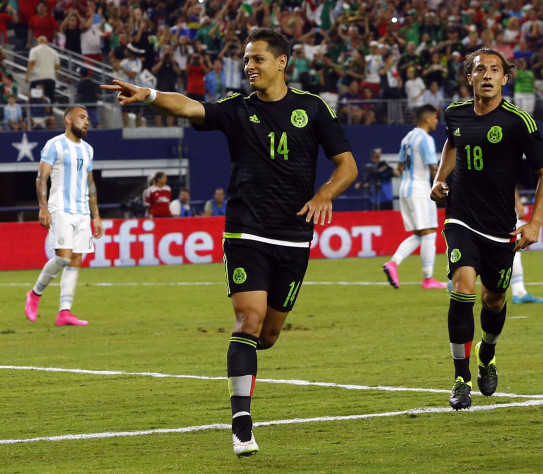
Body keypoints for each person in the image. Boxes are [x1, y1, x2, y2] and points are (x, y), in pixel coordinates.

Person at [101, 27, 358, 457]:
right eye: (245, 58)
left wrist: (324, 194)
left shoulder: (313, 109)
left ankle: (244, 370)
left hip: (294, 236)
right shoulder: (237, 109)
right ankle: (241, 423)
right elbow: (189, 107)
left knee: (270, 334)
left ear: (281, 62)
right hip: (246, 231)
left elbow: (346, 166)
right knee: (248, 320)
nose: (248, 65)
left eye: (257, 58)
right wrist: (147, 95)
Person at [430, 48, 543, 411]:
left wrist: (534, 222)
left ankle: (488, 353)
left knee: (494, 299)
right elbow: (453, 143)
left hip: (500, 227)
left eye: (494, 70)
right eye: (479, 69)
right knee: (463, 287)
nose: (487, 75)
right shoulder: (454, 113)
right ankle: (460, 378)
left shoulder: (518, 122)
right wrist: (439, 179)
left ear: (505, 77)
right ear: (469, 77)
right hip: (460, 218)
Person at [24, 105, 104, 327]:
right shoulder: (55, 144)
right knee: (63, 257)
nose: (86, 121)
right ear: (68, 119)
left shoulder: (88, 149)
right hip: (60, 208)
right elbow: (41, 178)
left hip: (82, 212)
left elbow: (91, 183)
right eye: (81, 117)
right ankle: (35, 294)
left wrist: (96, 216)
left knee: (76, 259)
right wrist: (43, 207)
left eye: (87, 118)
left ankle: (65, 312)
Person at [383, 104, 447, 290]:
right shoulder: (425, 139)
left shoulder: (407, 138)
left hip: (405, 190)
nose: (436, 121)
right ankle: (428, 279)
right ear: (427, 119)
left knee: (420, 234)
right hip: (419, 189)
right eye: (435, 118)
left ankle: (393, 263)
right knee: (429, 232)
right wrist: (444, 186)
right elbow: (434, 167)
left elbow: (400, 167)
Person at [510, 189, 543, 304]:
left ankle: (459, 280)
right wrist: (518, 203)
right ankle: (519, 292)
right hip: (500, 206)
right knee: (514, 246)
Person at [25, 36, 60, 103]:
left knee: (34, 100)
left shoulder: (34, 50)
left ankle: (34, 113)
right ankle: (50, 112)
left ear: (38, 42)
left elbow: (31, 63)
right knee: (49, 100)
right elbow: (57, 66)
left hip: (37, 79)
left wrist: (27, 76)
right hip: (50, 78)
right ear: (46, 42)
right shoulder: (53, 51)